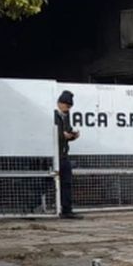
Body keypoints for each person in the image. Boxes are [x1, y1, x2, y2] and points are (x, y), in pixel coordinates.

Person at [55, 90, 80, 218]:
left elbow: (67, 130)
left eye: (69, 107)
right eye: (67, 106)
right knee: (46, 182)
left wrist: (73, 136)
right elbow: (50, 132)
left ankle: (67, 210)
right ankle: (30, 207)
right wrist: (62, 135)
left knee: (66, 183)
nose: (68, 109)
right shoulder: (53, 115)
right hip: (53, 154)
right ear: (60, 103)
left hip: (63, 154)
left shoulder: (66, 115)